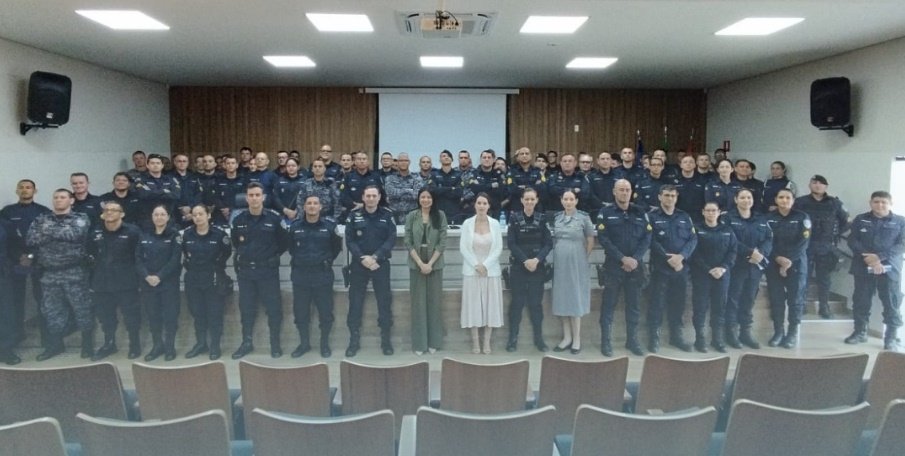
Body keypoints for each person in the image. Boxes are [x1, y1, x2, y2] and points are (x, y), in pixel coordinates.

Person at [26, 189, 94, 361]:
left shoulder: (80, 218)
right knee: (52, 311)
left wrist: (47, 231)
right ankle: (56, 345)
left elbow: (75, 235)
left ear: (71, 201)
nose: (58, 200)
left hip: (74, 272)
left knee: (82, 309)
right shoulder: (41, 219)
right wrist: (58, 232)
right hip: (49, 273)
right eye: (55, 197)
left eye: (62, 197)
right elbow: (31, 239)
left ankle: (87, 345)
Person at [231, 183, 289, 359]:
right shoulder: (238, 220)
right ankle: (246, 343)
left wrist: (270, 256)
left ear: (263, 197)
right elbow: (236, 243)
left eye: (257, 195)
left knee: (273, 309)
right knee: (246, 309)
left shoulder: (274, 219)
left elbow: (284, 242)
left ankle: (275, 344)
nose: (254, 198)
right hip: (246, 272)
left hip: (267, 271)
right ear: (246, 198)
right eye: (251, 195)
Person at [596, 179, 651, 356]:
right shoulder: (605, 212)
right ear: (614, 191)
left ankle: (632, 341)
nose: (625, 192)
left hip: (635, 267)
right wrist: (622, 258)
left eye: (627, 189)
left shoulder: (640, 212)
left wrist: (635, 259)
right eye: (621, 189)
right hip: (613, 267)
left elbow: (647, 237)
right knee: (608, 306)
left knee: (634, 306)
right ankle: (606, 342)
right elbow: (604, 239)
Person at [845, 191, 905, 350]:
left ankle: (891, 337)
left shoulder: (900, 221)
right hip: (863, 266)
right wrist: (867, 257)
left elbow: (902, 244)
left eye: (884, 202)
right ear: (870, 203)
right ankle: (860, 332)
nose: (880, 205)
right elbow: (852, 240)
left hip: (889, 268)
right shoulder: (861, 219)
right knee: (861, 300)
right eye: (876, 201)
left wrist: (879, 257)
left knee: (892, 303)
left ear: (890, 204)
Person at [288, 195, 343, 358]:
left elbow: (336, 248)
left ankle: (324, 344)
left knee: (325, 313)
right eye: (309, 203)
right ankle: (304, 344)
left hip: (322, 275)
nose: (312, 206)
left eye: (315, 203)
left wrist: (325, 261)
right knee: (301, 313)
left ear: (320, 207)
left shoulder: (329, 226)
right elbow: (291, 248)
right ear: (304, 207)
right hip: (301, 276)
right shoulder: (295, 227)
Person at [345, 185, 397, 357]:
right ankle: (353, 341)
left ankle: (386, 340)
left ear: (379, 197)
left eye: (374, 196)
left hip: (380, 264)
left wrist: (375, 257)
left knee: (384, 302)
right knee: (355, 303)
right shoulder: (354, 216)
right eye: (368, 196)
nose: (371, 199)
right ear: (363, 197)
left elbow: (391, 239)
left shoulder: (387, 215)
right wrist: (363, 258)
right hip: (359, 265)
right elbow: (350, 240)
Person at [88, 200, 142, 360]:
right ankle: (109, 344)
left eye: (113, 210)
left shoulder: (133, 231)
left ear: (122, 214)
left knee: (131, 315)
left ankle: (134, 344)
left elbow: (139, 256)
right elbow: (89, 254)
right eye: (106, 210)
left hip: (126, 281)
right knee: (106, 317)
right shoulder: (95, 232)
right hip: (102, 282)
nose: (109, 212)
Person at [646, 185, 698, 353]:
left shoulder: (684, 216)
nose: (670, 198)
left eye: (673, 196)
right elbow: (650, 240)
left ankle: (677, 337)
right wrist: (668, 258)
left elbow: (693, 239)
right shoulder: (651, 217)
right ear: (660, 197)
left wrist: (681, 257)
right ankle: (654, 338)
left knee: (678, 304)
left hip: (680, 268)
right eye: (667, 195)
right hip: (660, 268)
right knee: (657, 304)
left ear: (676, 198)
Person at [0, 179, 51, 348]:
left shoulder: (44, 212)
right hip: (15, 261)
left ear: (35, 191)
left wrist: (32, 255)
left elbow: (48, 238)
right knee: (15, 300)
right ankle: (17, 336)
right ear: (17, 191)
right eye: (21, 187)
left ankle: (47, 339)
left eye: (28, 187)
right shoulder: (7, 212)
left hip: (39, 261)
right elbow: (6, 239)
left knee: (42, 299)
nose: (24, 190)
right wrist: (20, 256)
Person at [723, 188, 773, 349]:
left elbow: (769, 238)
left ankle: (745, 333)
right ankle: (730, 333)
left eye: (749, 197)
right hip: (736, 265)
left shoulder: (761, 218)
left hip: (755, 266)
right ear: (736, 200)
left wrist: (760, 254)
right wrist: (750, 252)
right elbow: (729, 240)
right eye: (742, 197)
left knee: (749, 299)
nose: (746, 200)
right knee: (733, 299)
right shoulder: (727, 218)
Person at [795, 175, 849, 318]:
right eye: (814, 183)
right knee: (803, 277)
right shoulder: (800, 202)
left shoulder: (835, 203)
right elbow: (794, 221)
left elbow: (845, 222)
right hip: (805, 245)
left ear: (826, 186)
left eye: (821, 183)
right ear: (809, 185)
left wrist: (834, 234)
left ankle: (824, 307)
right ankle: (801, 305)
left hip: (826, 246)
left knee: (824, 279)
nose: (817, 185)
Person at [506, 187, 553, 352]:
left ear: (537, 200)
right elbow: (511, 243)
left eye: (532, 199)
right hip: (519, 267)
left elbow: (548, 243)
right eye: (526, 199)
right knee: (516, 304)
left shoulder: (543, 218)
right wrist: (525, 260)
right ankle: (512, 339)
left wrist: (537, 260)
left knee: (535, 305)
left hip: (537, 268)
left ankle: (539, 339)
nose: (529, 202)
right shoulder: (514, 218)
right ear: (521, 200)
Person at [182, 204, 232, 360]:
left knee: (214, 314)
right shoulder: (187, 234)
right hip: (193, 278)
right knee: (198, 313)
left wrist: (216, 266)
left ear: (208, 215)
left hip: (213, 278)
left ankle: (215, 345)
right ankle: (201, 343)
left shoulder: (219, 234)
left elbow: (226, 252)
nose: (197, 217)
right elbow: (185, 253)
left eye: (201, 214)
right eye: (194, 215)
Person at [404, 188, 448, 355]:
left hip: (435, 262)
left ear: (433, 199)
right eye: (422, 197)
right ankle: (419, 344)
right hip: (416, 261)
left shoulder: (440, 215)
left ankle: (434, 342)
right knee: (418, 304)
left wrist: (429, 263)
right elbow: (408, 241)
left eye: (428, 197)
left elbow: (442, 242)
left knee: (434, 303)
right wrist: (420, 263)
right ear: (418, 199)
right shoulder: (411, 216)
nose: (425, 200)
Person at [765, 188, 811, 349]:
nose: (784, 200)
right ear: (776, 200)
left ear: (793, 200)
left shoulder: (802, 217)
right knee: (776, 299)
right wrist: (778, 258)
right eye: (781, 197)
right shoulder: (768, 218)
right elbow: (766, 241)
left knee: (795, 299)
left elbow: (804, 242)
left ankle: (792, 333)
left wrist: (788, 260)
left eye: (788, 198)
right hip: (774, 262)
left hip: (796, 263)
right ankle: (778, 332)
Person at [551, 191, 595, 354]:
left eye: (571, 199)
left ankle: (577, 339)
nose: (568, 202)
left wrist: (583, 257)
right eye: (565, 199)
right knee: (562, 298)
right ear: (561, 201)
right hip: (560, 264)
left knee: (575, 298)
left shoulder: (583, 218)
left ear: (576, 201)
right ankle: (567, 337)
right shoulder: (557, 218)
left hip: (577, 263)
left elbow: (590, 239)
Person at [689, 202, 737, 353]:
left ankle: (717, 339)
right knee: (700, 308)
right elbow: (694, 252)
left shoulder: (727, 230)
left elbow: (733, 251)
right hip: (701, 275)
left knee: (719, 308)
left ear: (719, 212)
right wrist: (708, 269)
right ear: (703, 212)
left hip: (722, 275)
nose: (711, 213)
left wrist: (723, 268)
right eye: (708, 210)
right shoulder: (696, 229)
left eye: (714, 210)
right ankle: (700, 340)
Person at [136, 205, 182, 361]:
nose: (159, 217)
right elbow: (137, 259)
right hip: (148, 283)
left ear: (168, 217)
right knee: (153, 315)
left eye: (162, 214)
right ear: (152, 217)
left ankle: (170, 346)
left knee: (170, 316)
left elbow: (175, 260)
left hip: (168, 283)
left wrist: (159, 276)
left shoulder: (174, 235)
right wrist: (146, 276)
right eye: (156, 214)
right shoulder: (144, 235)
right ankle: (157, 345)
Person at [460, 193, 504, 354]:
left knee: (490, 308)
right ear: (475, 205)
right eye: (479, 203)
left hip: (490, 272)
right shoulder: (467, 224)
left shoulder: (495, 224)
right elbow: (463, 248)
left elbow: (498, 248)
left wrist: (485, 265)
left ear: (488, 206)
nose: (481, 206)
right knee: (473, 308)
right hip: (472, 272)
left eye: (484, 203)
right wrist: (476, 265)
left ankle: (486, 342)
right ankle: (475, 342)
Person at [133, 154, 182, 231]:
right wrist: (164, 191)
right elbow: (144, 194)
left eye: (158, 163)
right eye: (152, 163)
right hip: (147, 220)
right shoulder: (140, 179)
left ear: (162, 165)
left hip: (168, 219)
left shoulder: (171, 179)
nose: (155, 165)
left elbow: (176, 195)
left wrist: (152, 193)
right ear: (147, 165)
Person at [0, 222, 20, 364]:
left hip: (2, 273)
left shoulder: (4, 223)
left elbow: (14, 246)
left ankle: (5, 349)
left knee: (5, 313)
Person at [506, 147, 546, 216]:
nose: (524, 155)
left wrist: (523, 187)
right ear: (518, 157)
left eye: (527, 153)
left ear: (531, 156)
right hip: (517, 206)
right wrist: (533, 186)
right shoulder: (512, 171)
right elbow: (511, 189)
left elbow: (542, 187)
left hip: (535, 207)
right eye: (522, 154)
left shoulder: (537, 171)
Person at [384, 153, 423, 223]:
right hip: (394, 214)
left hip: (413, 214)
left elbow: (417, 195)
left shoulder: (417, 177)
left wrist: (398, 192)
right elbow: (390, 194)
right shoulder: (390, 178)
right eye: (401, 161)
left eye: (405, 160)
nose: (403, 163)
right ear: (397, 162)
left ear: (409, 162)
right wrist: (409, 190)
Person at [431, 150, 464, 223]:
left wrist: (441, 189)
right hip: (438, 212)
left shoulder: (458, 175)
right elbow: (433, 191)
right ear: (440, 160)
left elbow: (459, 192)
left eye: (449, 156)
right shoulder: (434, 174)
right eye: (443, 156)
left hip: (454, 213)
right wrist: (451, 188)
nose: (446, 157)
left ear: (452, 159)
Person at [272, 157, 307, 222]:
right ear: (286, 167)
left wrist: (297, 211)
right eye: (288, 166)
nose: (291, 168)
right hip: (283, 214)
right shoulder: (279, 181)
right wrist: (285, 210)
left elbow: (306, 197)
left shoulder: (305, 181)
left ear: (298, 167)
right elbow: (275, 197)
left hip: (300, 215)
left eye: (293, 166)